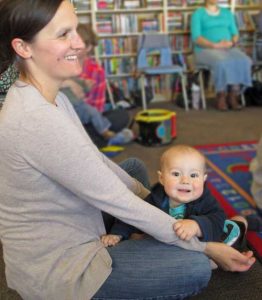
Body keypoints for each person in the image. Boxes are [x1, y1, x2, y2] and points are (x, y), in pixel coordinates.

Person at [0, 1, 255, 300]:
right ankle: (201, 236)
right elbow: (117, 200)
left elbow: (94, 160)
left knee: (132, 168)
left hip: (80, 218)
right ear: (23, 47)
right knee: (194, 267)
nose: (79, 43)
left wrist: (161, 211)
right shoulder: (35, 120)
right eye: (63, 34)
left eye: (76, 29)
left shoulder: (48, 96)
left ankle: (169, 229)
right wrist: (205, 247)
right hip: (63, 266)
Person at [102, 145, 247, 248]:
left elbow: (217, 217)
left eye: (194, 175)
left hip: (216, 235)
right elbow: (135, 215)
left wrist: (197, 225)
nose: (185, 180)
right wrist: (117, 234)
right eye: (176, 174)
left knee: (215, 258)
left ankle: (242, 222)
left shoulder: (204, 199)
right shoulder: (156, 198)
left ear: (203, 179)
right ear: (162, 178)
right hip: (177, 241)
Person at [191, 0, 252, 111]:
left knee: (245, 60)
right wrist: (214, 45)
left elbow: (235, 33)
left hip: (228, 48)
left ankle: (233, 95)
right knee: (222, 62)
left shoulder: (227, 13)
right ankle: (221, 96)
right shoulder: (198, 14)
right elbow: (196, 37)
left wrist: (232, 42)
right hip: (205, 49)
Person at [60, 78, 134, 147]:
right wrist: (66, 83)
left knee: (121, 114)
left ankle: (101, 136)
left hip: (83, 110)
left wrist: (87, 87)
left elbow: (82, 90)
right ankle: (104, 135)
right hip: (71, 114)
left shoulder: (73, 76)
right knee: (93, 113)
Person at [77, 23, 107, 112]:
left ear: (88, 47)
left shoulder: (97, 71)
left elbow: (98, 107)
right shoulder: (59, 64)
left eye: (77, 43)